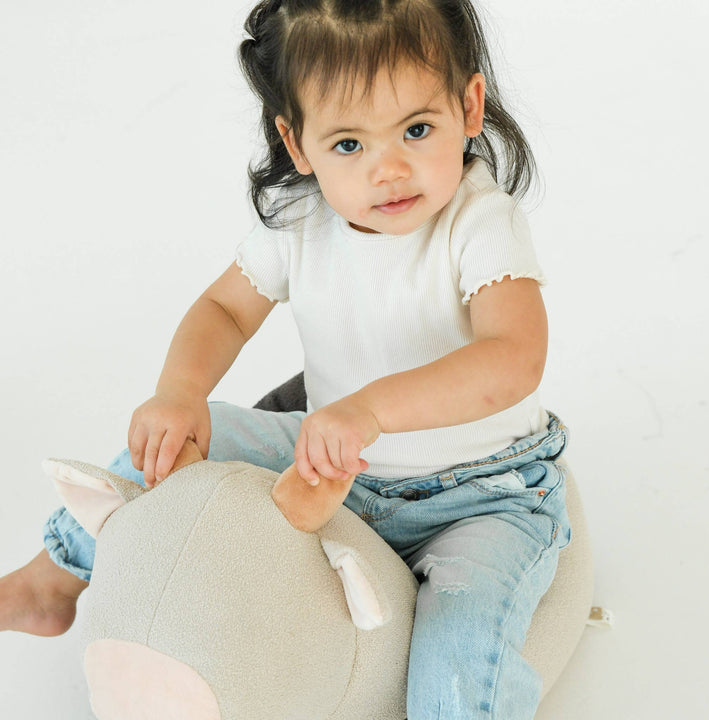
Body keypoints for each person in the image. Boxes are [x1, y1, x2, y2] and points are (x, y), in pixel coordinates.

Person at [1, 1, 572, 717]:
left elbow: (513, 357)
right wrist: (179, 390)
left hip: (482, 493)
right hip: (333, 466)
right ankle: (54, 576)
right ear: (297, 144)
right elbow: (224, 308)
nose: (389, 169)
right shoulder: (302, 218)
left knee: (460, 647)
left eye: (417, 129)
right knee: (180, 435)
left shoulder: (481, 222)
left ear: (469, 107)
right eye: (348, 144)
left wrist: (369, 411)